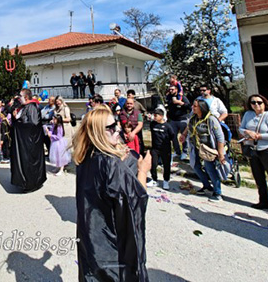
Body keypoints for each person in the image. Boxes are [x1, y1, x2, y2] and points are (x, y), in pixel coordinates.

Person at [73, 105, 152, 281]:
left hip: (90, 237)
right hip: (109, 243)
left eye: (116, 124)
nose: (117, 130)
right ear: (97, 133)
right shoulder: (111, 165)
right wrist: (143, 171)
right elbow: (135, 202)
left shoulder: (84, 157)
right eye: (110, 128)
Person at [239, 94, 268, 217]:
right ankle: (264, 201)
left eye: (259, 102)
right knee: (258, 177)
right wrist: (246, 132)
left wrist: (259, 136)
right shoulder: (248, 114)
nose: (256, 105)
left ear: (264, 103)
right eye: (253, 102)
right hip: (254, 149)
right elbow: (241, 128)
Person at [184, 100, 226, 201]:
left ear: (201, 108)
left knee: (210, 169)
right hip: (196, 147)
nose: (193, 108)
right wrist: (184, 135)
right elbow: (189, 128)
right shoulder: (193, 118)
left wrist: (221, 153)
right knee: (195, 166)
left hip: (208, 149)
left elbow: (220, 137)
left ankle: (217, 192)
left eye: (195, 106)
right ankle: (206, 186)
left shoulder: (211, 119)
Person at [10, 89, 47, 192]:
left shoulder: (32, 107)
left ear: (26, 97)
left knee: (29, 163)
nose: (19, 99)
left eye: (20, 96)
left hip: (30, 142)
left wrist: (18, 123)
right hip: (24, 141)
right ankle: (24, 183)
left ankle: (31, 184)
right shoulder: (24, 107)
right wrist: (15, 118)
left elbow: (33, 124)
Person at [149, 108, 179, 190]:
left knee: (166, 165)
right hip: (155, 148)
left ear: (162, 116)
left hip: (165, 149)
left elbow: (173, 137)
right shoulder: (152, 124)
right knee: (153, 164)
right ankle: (154, 179)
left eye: (156, 115)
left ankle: (166, 180)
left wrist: (177, 149)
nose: (154, 117)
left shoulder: (167, 126)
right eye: (154, 115)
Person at [166, 84, 191, 160]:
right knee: (173, 136)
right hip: (173, 120)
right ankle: (177, 152)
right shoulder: (169, 97)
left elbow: (189, 106)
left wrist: (180, 103)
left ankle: (185, 152)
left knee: (184, 136)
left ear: (176, 89)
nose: (171, 91)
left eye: (172, 89)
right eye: (170, 89)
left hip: (182, 120)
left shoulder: (182, 97)